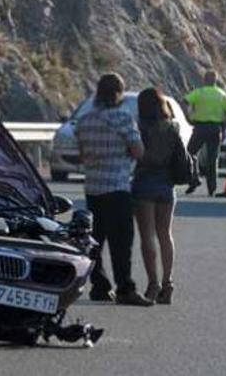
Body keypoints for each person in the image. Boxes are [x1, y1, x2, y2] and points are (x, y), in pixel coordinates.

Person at [74, 73, 152, 307]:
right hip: (117, 186)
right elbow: (139, 151)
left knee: (95, 240)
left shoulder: (85, 120)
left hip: (93, 187)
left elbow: (82, 153)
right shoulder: (122, 118)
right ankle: (125, 288)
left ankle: (99, 285)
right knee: (121, 242)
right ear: (118, 93)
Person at [132, 87, 183, 304]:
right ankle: (168, 282)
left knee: (147, 237)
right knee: (165, 234)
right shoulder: (173, 127)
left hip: (144, 182)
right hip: (167, 183)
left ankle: (152, 284)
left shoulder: (140, 127)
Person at [183, 70, 226, 196]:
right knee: (212, 158)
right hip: (215, 128)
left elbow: (184, 102)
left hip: (200, 127)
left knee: (190, 153)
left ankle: (194, 177)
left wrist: (188, 117)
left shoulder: (199, 93)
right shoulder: (221, 94)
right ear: (216, 81)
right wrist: (225, 128)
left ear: (204, 80)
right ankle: (212, 188)